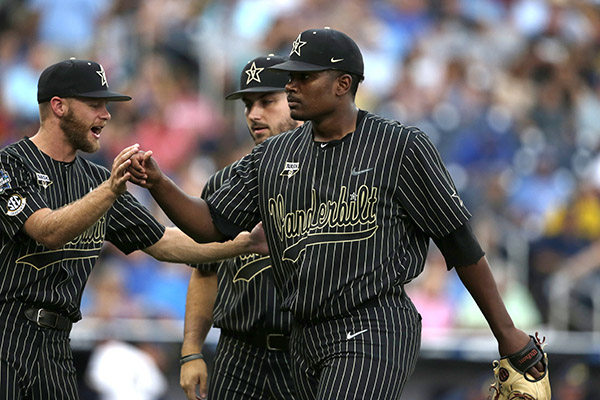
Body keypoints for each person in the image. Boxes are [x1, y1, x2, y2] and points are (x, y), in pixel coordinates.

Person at [129, 28, 546, 400]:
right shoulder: (273, 155)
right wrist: (160, 183)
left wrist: (505, 331)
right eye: (290, 77)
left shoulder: (397, 146)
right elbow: (211, 226)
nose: (292, 85)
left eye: (304, 77)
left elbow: (459, 243)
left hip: (372, 321)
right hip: (303, 335)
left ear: (343, 84)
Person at [0, 58, 266, 400]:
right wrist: (110, 191)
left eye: (107, 105)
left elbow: (165, 242)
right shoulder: (10, 165)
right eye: (94, 104)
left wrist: (244, 244)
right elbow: (47, 230)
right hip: (7, 335)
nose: (106, 115)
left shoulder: (94, 179)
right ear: (59, 106)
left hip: (56, 346)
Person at [179, 54, 302, 400]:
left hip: (304, 351)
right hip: (238, 351)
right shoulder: (223, 185)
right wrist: (191, 351)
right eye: (248, 104)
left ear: (297, 99)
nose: (253, 114)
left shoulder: (327, 177)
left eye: (267, 101)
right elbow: (204, 272)